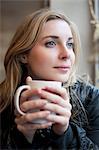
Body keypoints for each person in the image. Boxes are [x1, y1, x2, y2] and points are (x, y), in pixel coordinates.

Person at [0, 8, 99, 150]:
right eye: (51, 43)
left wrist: (65, 132)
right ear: (23, 55)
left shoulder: (92, 99)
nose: (67, 54)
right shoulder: (4, 102)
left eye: (70, 44)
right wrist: (24, 138)